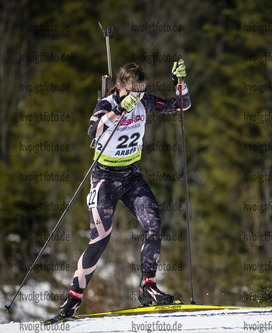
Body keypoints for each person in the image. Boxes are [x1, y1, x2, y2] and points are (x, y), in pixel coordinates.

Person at [57, 59, 190, 319]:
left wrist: (180, 85)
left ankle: (148, 287)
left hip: (131, 175)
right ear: (119, 87)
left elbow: (182, 106)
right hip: (105, 178)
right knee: (100, 239)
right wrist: (117, 111)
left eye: (141, 90)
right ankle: (73, 298)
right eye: (133, 91)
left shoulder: (145, 102)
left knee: (153, 225)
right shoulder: (107, 103)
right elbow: (92, 130)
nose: (138, 96)